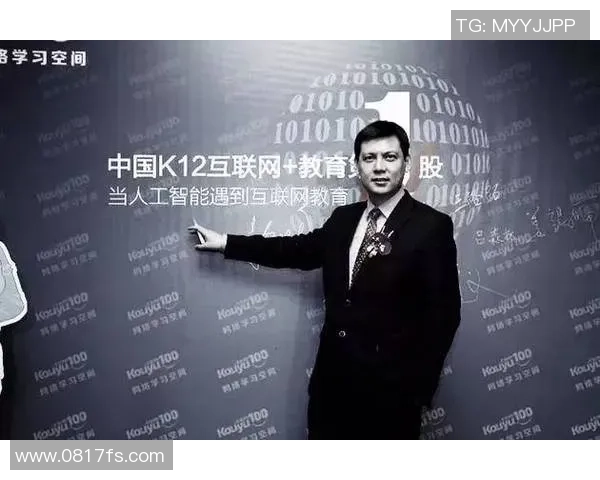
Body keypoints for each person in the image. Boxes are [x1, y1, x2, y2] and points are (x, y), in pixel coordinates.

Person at [189, 120, 461, 439]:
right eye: (369, 158)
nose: (379, 167)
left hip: (391, 400)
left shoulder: (432, 226)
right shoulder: (343, 219)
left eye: (389, 157)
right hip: (331, 389)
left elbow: (445, 316)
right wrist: (227, 242)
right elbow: (293, 249)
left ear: (406, 162)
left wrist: (416, 391)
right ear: (357, 166)